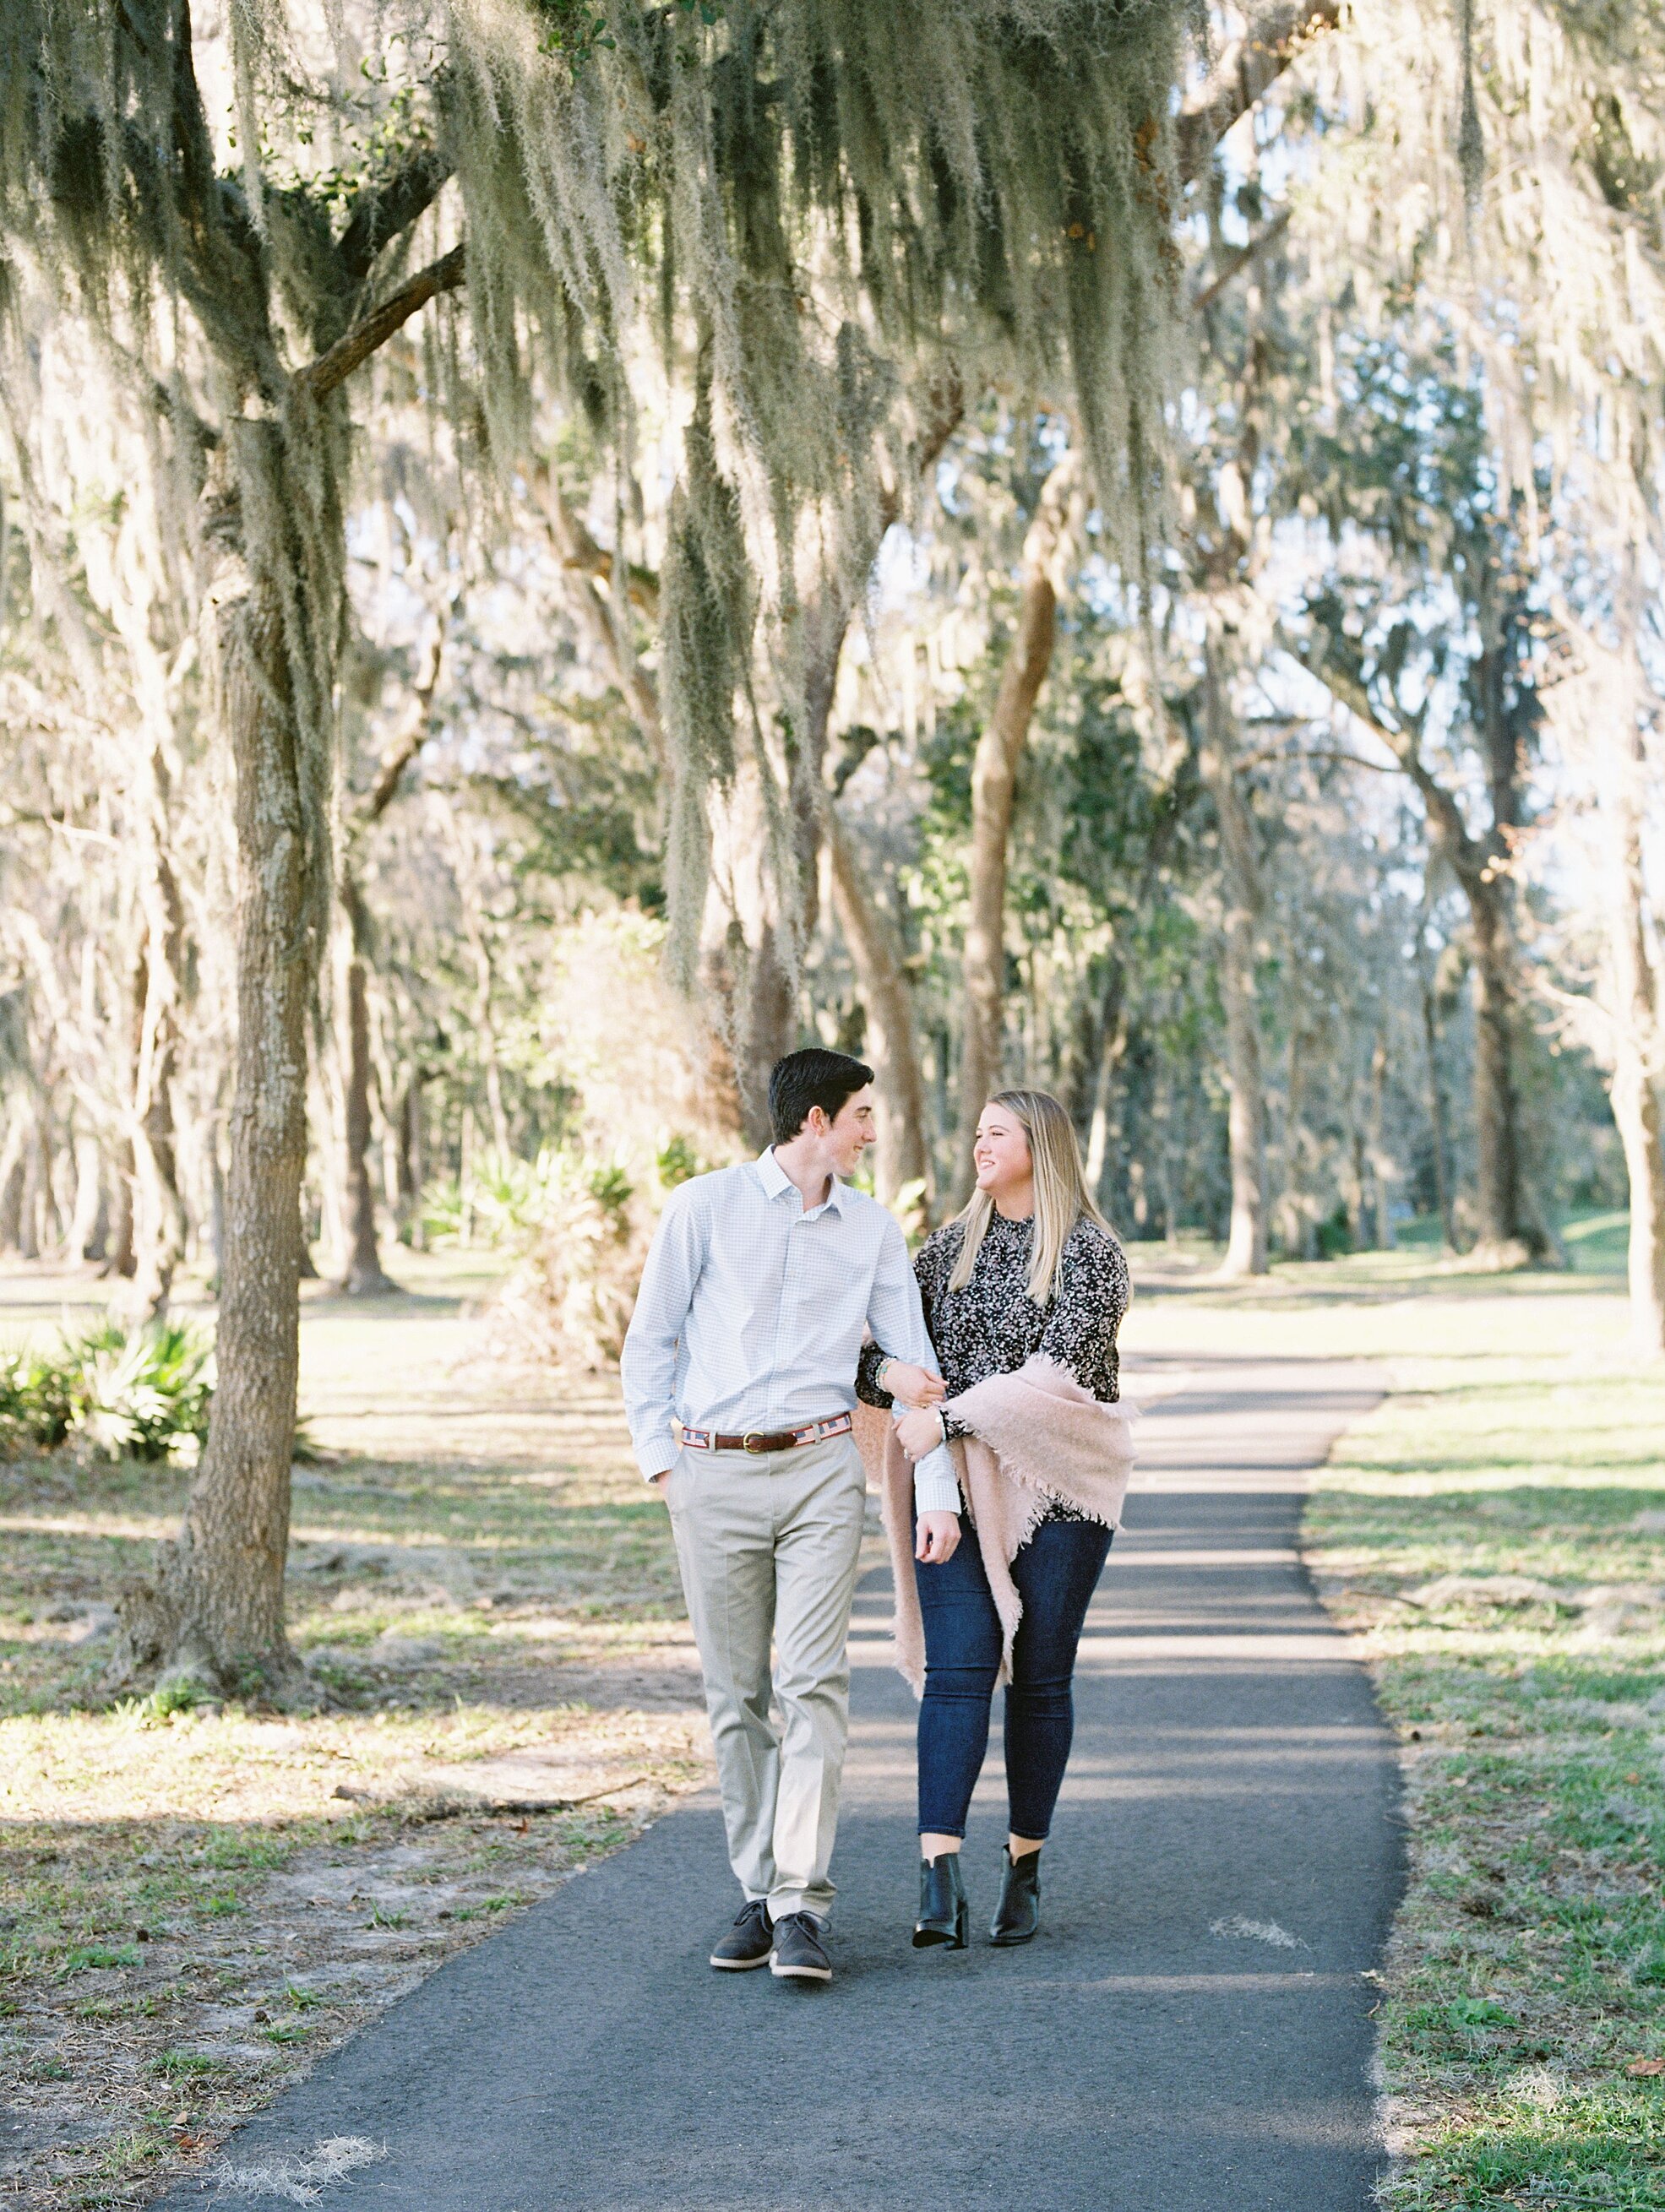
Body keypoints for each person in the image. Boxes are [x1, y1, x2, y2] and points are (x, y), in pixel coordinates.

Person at [621, 1047, 961, 1985]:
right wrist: (663, 1469)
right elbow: (649, 1341)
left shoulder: (872, 1231)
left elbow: (912, 1366)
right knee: (737, 1696)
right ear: (814, 1120)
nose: (870, 1129)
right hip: (711, 1472)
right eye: (860, 1113)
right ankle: (757, 1890)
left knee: (814, 1684)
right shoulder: (704, 1208)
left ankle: (801, 1903)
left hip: (819, 1469)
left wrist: (931, 1484)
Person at [857, 1089, 1133, 1951]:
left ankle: (1024, 1865)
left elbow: (1061, 1378)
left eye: (997, 1132)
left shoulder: (1091, 1254)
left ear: (1040, 1146)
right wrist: (898, 1391)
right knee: (959, 1667)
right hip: (956, 1487)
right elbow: (875, 1357)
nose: (979, 1144)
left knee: (1042, 1675)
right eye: (974, 1131)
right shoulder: (946, 1252)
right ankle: (938, 1876)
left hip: (1058, 1485)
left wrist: (949, 1413)